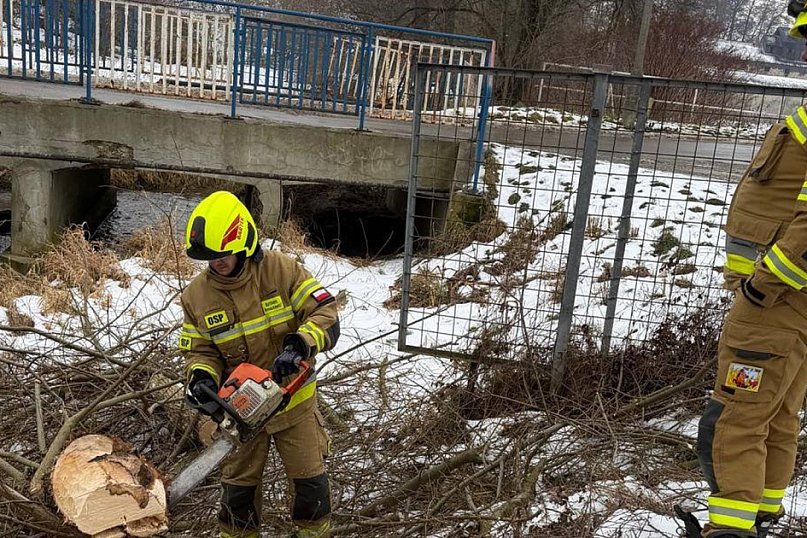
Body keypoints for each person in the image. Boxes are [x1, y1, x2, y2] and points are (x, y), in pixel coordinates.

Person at [693, 6, 807, 538]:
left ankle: (730, 531)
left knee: (734, 422)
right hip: (786, 310)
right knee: (776, 420)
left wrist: (765, 285)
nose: (804, 51)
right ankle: (758, 521)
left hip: (775, 308)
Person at [179, 191, 339, 538]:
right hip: (239, 415)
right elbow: (200, 349)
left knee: (312, 493)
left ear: (244, 243)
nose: (216, 262)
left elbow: (326, 313)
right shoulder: (197, 296)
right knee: (237, 501)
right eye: (210, 257)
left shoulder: (281, 271)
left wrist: (300, 344)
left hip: (293, 407)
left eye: (222, 254)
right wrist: (202, 377)